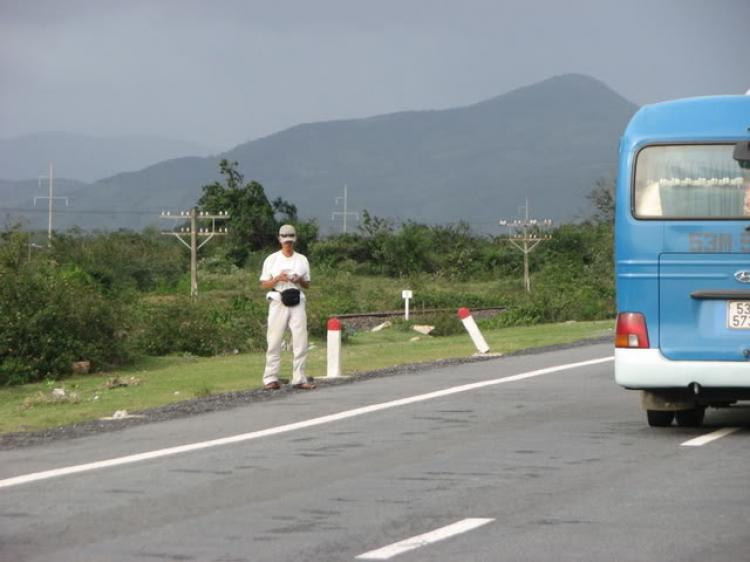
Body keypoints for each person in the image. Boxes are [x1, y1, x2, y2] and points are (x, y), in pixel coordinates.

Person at [259, 224, 316, 390]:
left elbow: (307, 284)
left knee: (300, 340)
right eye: (285, 241)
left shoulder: (302, 259)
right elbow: (264, 284)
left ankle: (299, 377)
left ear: (294, 240)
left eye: (290, 241)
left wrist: (298, 279)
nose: (288, 244)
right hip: (278, 299)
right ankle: (270, 378)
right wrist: (278, 278)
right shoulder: (271, 259)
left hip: (296, 298)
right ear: (279, 239)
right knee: (274, 339)